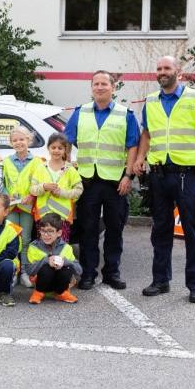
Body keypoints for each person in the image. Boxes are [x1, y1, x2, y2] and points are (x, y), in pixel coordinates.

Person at [134, 56, 195, 304]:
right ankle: (160, 280)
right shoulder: (151, 101)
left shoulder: (194, 97)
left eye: (167, 68)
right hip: (159, 175)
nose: (162, 72)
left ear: (178, 72)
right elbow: (147, 134)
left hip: (188, 175)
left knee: (192, 231)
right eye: (159, 68)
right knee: (160, 230)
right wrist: (140, 157)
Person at [65, 70, 140, 291]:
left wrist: (128, 176)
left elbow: (132, 146)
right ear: (91, 88)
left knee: (114, 229)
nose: (99, 87)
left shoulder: (124, 114)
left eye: (104, 84)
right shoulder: (81, 112)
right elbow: (67, 140)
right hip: (88, 181)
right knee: (88, 230)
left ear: (113, 88)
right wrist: (69, 166)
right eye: (96, 84)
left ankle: (112, 273)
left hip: (116, 182)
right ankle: (88, 274)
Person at [3, 126, 41, 288]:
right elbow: (2, 183)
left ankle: (24, 271)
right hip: (11, 207)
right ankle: (13, 271)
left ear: (28, 141)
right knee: (11, 240)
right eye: (15, 140)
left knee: (25, 240)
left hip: (27, 207)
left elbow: (40, 182)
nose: (19, 142)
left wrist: (32, 195)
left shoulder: (37, 162)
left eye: (22, 139)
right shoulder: (6, 161)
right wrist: (6, 194)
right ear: (11, 143)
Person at [29, 133, 83, 242]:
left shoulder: (70, 169)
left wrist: (61, 193)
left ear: (65, 150)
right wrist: (43, 187)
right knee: (44, 247)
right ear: (48, 148)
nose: (56, 150)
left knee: (61, 247)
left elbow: (79, 190)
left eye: (60, 148)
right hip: (43, 216)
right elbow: (32, 190)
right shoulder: (40, 168)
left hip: (62, 217)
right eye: (53, 147)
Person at [25, 213, 81, 304]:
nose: (46, 235)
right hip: (41, 283)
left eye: (50, 231)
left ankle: (61, 293)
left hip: (59, 283)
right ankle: (39, 292)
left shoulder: (66, 247)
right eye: (43, 231)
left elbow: (79, 270)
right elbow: (29, 271)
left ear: (59, 233)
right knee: (47, 268)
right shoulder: (33, 247)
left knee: (67, 268)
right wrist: (46, 260)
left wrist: (65, 262)